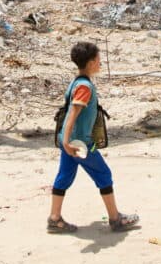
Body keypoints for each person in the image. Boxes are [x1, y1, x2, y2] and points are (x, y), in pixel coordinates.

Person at [47, 41, 139, 234]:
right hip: (81, 144)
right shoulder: (84, 87)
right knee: (104, 175)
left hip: (69, 140)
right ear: (89, 63)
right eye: (97, 59)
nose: (100, 63)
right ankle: (115, 219)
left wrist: (65, 140)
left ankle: (54, 218)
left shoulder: (76, 81)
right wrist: (67, 142)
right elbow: (73, 112)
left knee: (64, 177)